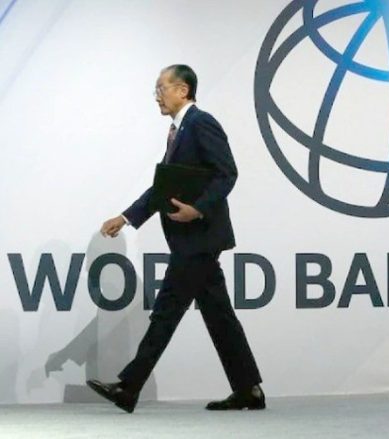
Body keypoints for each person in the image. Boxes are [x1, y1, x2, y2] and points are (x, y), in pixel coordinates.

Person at [87, 64, 264, 413]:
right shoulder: (178, 131)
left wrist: (197, 209)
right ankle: (249, 390)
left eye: (161, 88)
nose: (157, 96)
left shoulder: (200, 123)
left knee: (166, 312)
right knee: (219, 317)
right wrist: (126, 217)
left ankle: (128, 387)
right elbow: (162, 188)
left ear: (183, 90)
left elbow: (227, 173)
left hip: (198, 239)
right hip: (194, 241)